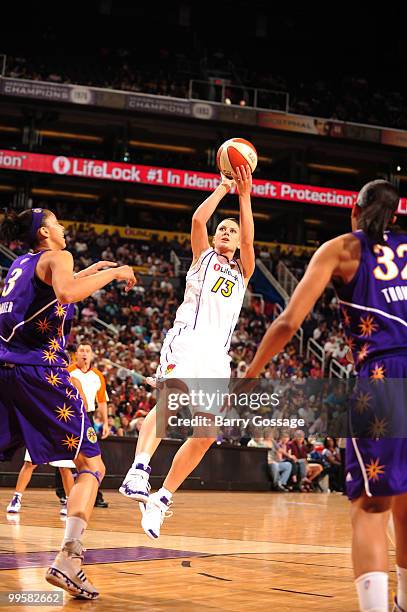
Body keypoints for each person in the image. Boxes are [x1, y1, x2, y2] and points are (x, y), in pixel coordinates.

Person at [244, 180, 407, 612]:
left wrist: (252, 372)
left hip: (383, 374)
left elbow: (288, 322)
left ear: (355, 211)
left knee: (372, 509)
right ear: (395, 216)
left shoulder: (342, 249)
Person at [0, 208, 136, 599]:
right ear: (45, 232)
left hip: (7, 368)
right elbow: (65, 292)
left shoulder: (21, 265)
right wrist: (114, 273)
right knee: (92, 465)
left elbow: (51, 291)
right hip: (41, 372)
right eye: (57, 223)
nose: (63, 228)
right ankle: (69, 560)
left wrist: (93, 269)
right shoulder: (59, 257)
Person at [120, 165, 255, 538]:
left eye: (233, 231)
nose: (227, 233)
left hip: (218, 356)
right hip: (188, 340)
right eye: (222, 230)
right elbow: (199, 218)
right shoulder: (203, 258)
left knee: (206, 434)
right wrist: (224, 189)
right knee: (170, 400)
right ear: (213, 239)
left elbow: (249, 237)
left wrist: (245, 197)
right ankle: (139, 470)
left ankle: (161, 499)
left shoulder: (243, 270)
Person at [67, 342, 110, 508]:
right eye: (81, 350)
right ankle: (64, 492)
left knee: (93, 456)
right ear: (76, 354)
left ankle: (95, 494)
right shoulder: (69, 372)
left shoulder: (98, 375)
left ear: (92, 355)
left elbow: (102, 402)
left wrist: (105, 422)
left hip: (89, 418)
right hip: (70, 417)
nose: (84, 353)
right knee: (67, 455)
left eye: (88, 351)